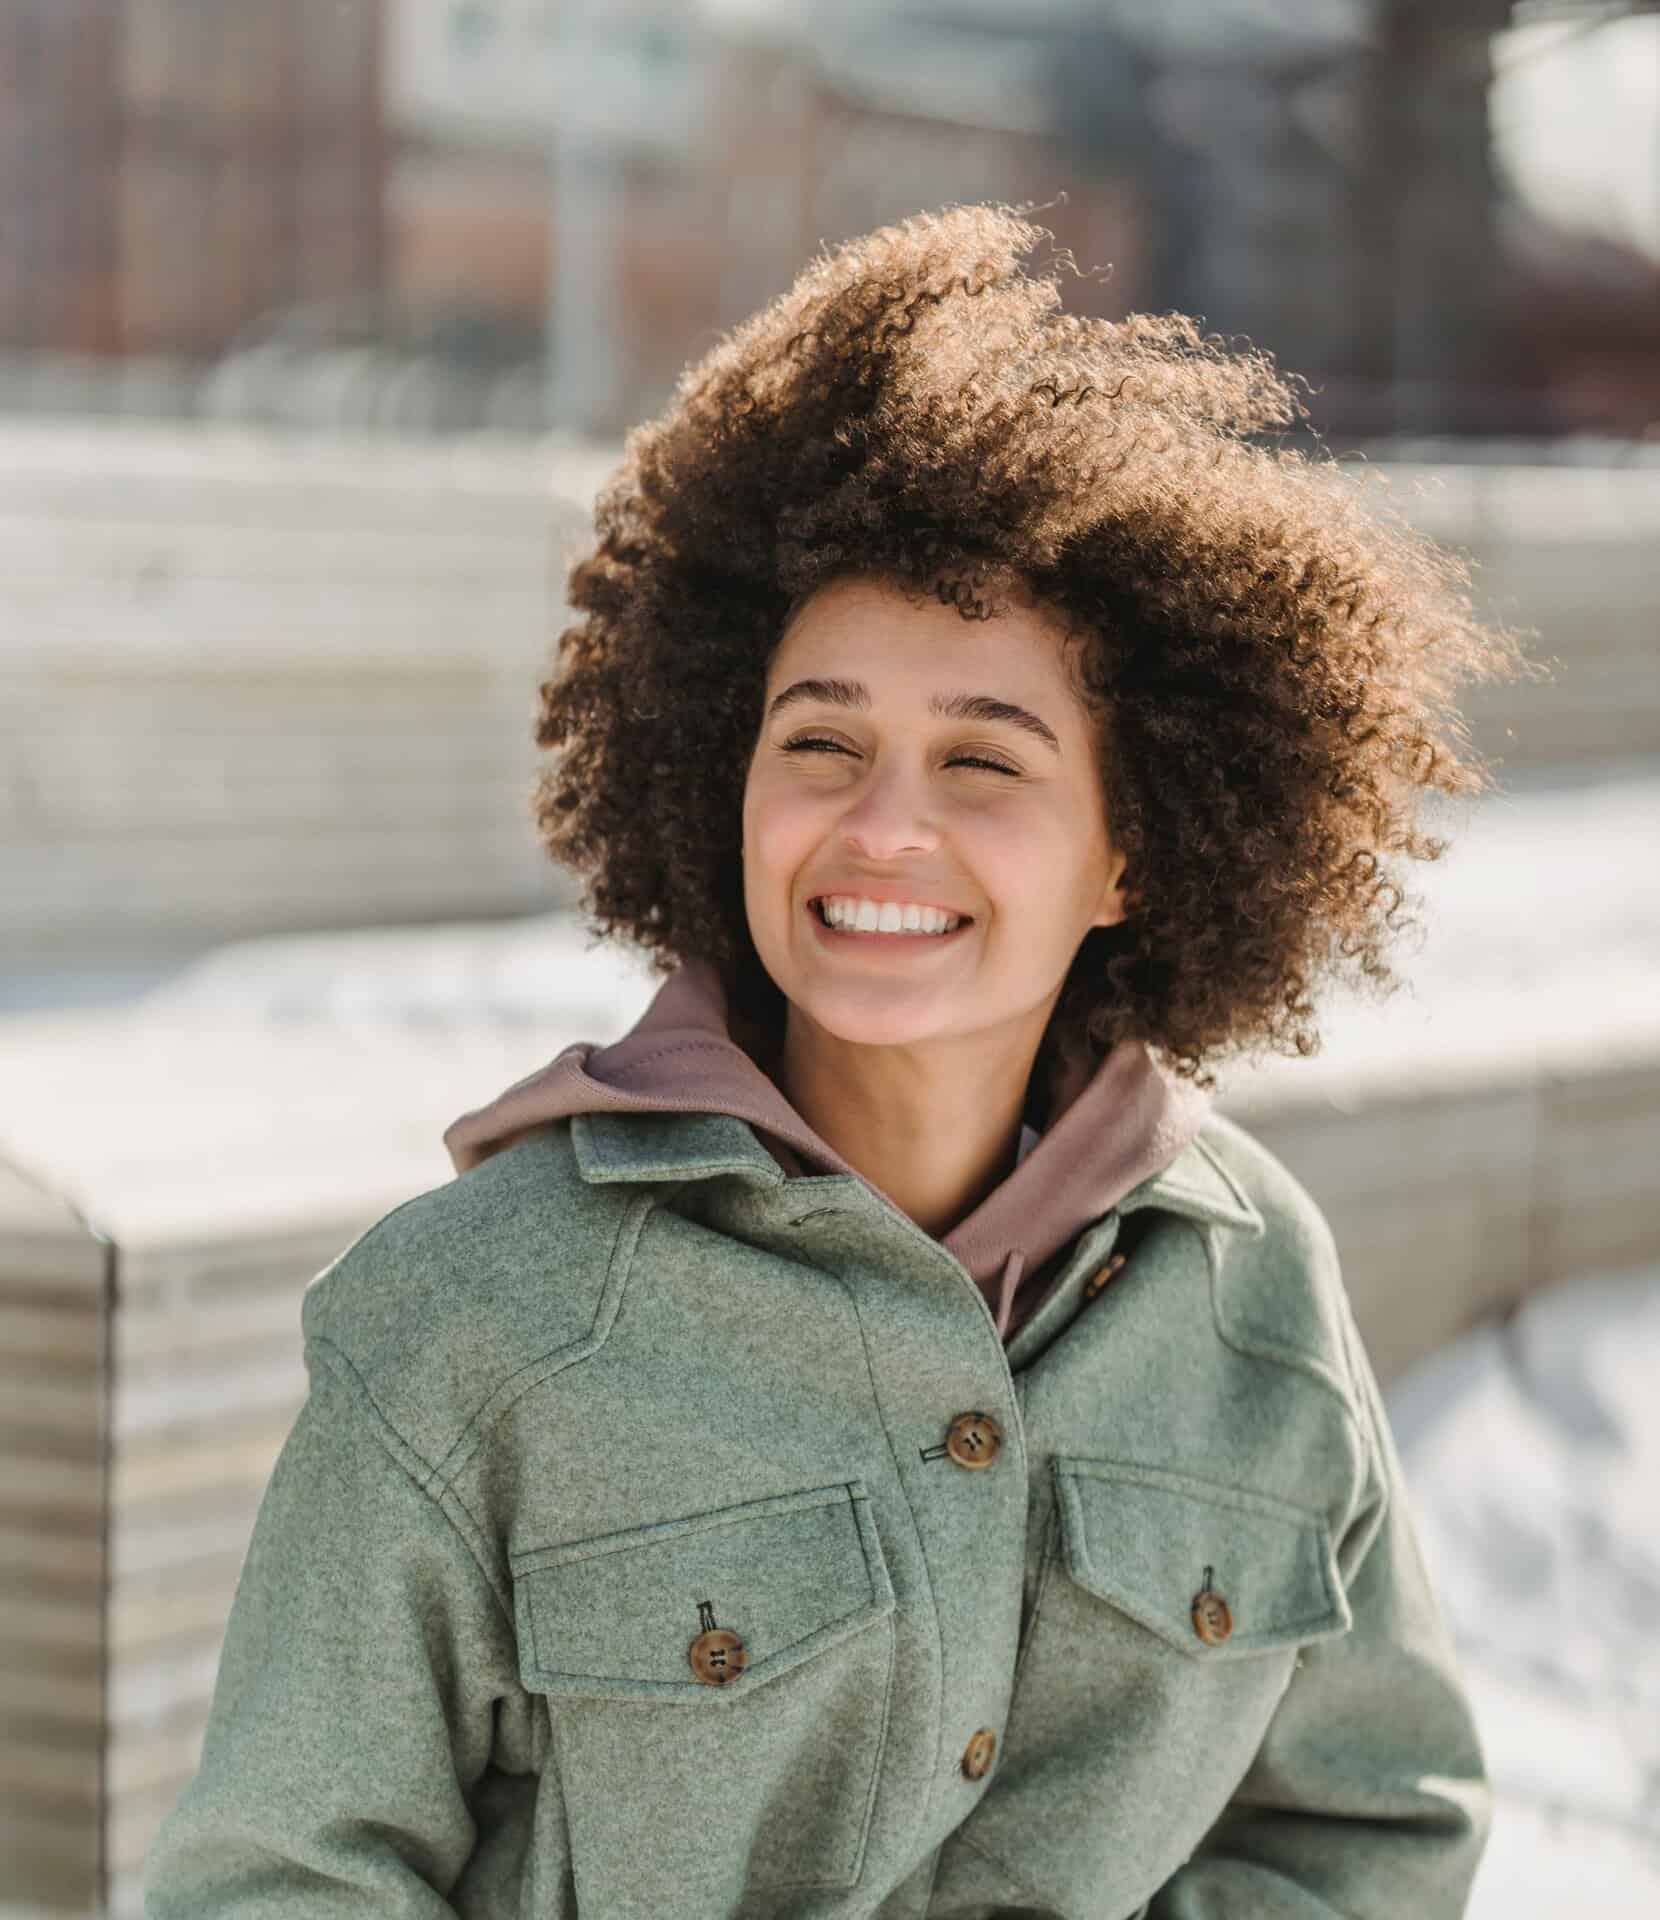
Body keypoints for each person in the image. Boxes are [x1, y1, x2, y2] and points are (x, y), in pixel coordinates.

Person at [145, 202, 1532, 1919]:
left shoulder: (1255, 1289)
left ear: (1135, 852)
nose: (884, 829)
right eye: (823, 742)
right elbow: (276, 1882)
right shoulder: (470, 1319)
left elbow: (1367, 1832)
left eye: (984, 762)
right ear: (724, 778)